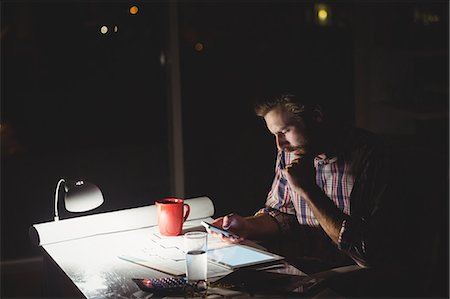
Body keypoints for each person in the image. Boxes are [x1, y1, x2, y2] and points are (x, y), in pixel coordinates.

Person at [211, 93, 408, 276]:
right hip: (305, 271)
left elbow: (367, 253)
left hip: (355, 280)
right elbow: (282, 215)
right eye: (275, 135)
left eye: (285, 131)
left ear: (316, 116)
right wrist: (246, 225)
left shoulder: (371, 157)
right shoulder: (290, 153)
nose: (280, 145)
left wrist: (308, 190)